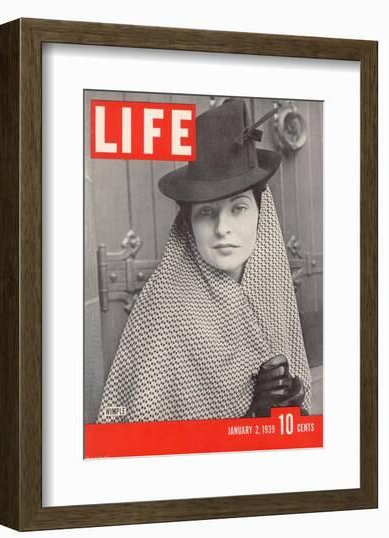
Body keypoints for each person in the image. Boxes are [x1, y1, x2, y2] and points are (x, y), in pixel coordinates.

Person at [97, 98, 311, 423]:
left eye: (238, 208)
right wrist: (252, 414)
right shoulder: (164, 314)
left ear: (260, 214)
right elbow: (139, 445)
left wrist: (285, 404)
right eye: (206, 212)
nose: (223, 228)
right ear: (187, 221)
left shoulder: (271, 291)